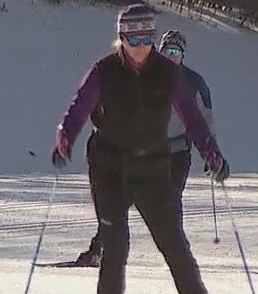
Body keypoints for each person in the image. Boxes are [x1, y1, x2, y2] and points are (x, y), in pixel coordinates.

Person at [50, 4, 240, 294]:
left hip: (153, 169)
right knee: (115, 245)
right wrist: (65, 138)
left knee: (177, 249)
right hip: (109, 168)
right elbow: (78, 108)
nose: (140, 45)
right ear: (121, 37)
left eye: (147, 36)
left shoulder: (167, 74)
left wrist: (211, 154)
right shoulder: (104, 71)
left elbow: (192, 118)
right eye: (133, 36)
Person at [71, 29, 216, 267]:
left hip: (177, 152)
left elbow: (205, 119)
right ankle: (99, 250)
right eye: (167, 51)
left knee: (170, 201)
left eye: (176, 52)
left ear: (183, 56)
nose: (172, 56)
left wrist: (211, 153)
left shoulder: (194, 82)